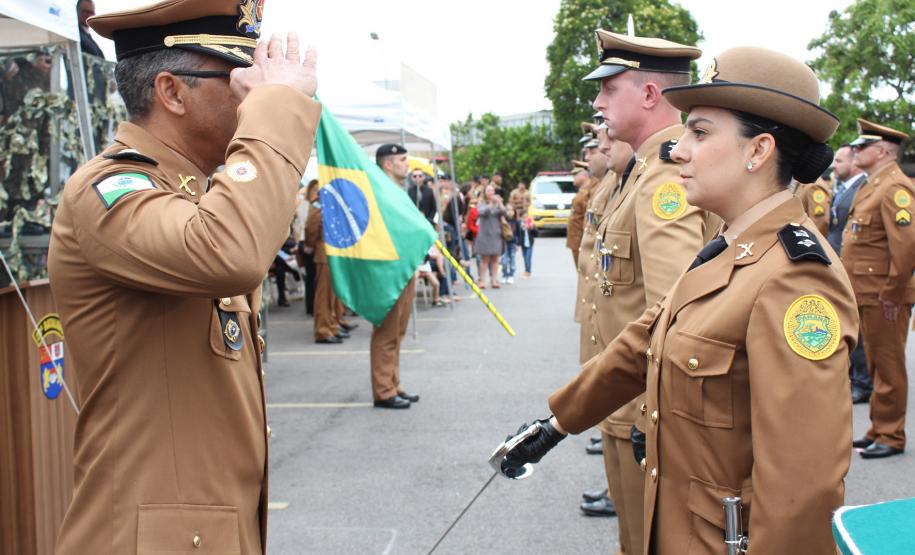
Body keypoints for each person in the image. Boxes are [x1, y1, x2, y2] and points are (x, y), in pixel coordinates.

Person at [503, 46, 857, 554]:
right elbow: (644, 340)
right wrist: (557, 423)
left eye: (701, 132)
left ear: (758, 151)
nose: (678, 150)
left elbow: (802, 488)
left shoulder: (794, 279)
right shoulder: (730, 248)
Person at [46, 0, 319, 551]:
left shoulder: (196, 195)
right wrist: (277, 109)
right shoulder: (109, 191)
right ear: (172, 92)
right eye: (238, 77)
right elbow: (231, 252)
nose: (252, 93)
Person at [843, 118, 915, 459]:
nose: (855, 150)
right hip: (866, 292)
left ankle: (891, 435)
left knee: (888, 366)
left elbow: (906, 246)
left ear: (882, 150)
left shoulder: (894, 188)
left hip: (883, 295)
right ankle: (877, 429)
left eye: (862, 146)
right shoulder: (873, 185)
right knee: (874, 365)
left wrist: (892, 293)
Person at [371, 144, 420, 409]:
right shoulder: (379, 190)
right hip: (389, 268)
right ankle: (383, 390)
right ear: (388, 164)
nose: (407, 163)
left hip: (404, 265)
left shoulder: (398, 190)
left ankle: (393, 382)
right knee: (387, 331)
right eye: (402, 159)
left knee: (398, 331)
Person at [828, 145, 871, 403]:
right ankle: (858, 378)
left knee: (862, 333)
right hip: (843, 266)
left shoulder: (864, 188)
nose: (834, 165)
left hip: (861, 273)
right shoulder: (845, 188)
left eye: (840, 160)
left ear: (854, 163)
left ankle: (864, 383)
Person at [305, 193, 348, 343]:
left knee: (332, 295)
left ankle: (331, 325)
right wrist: (310, 244)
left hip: (335, 252)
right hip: (324, 253)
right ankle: (322, 330)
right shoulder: (320, 196)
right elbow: (312, 224)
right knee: (324, 296)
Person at [475, 185, 506, 288]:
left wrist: (500, 203)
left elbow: (505, 213)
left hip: (496, 233)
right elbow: (483, 213)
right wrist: (491, 203)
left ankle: (494, 280)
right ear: (485, 192)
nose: (491, 192)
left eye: (492, 190)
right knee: (485, 259)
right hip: (485, 233)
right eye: (488, 190)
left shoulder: (497, 203)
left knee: (495, 258)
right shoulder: (481, 203)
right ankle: (482, 280)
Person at [500, 205, 520, 284]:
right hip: (504, 243)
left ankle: (511, 275)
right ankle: (504, 275)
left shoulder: (516, 222)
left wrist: (518, 244)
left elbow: (518, 234)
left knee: (512, 260)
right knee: (504, 261)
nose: (510, 212)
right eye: (508, 210)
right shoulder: (502, 221)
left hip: (513, 243)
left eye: (511, 210)